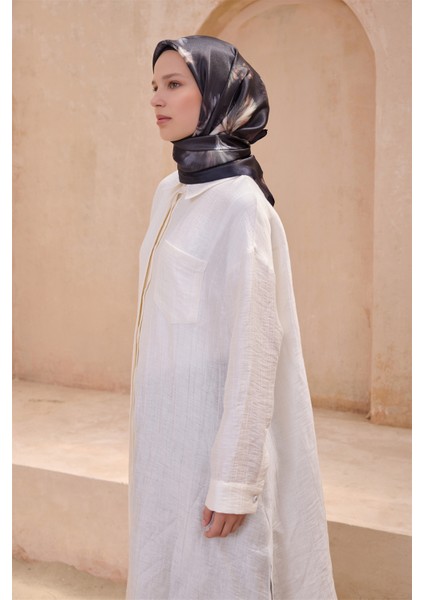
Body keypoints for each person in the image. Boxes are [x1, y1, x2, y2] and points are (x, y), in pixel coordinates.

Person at [126, 35, 338, 600]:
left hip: (212, 439)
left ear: (219, 96)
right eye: (154, 86)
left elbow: (256, 347)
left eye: (174, 84)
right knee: (163, 567)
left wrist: (235, 480)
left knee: (219, 575)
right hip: (165, 432)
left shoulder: (241, 204)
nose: (156, 99)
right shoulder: (170, 192)